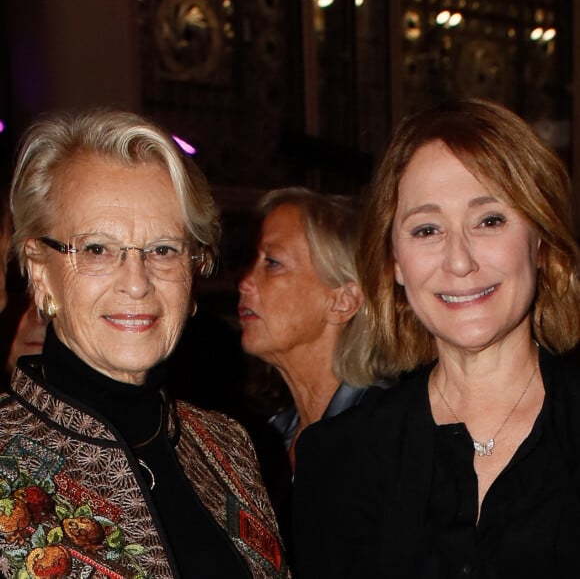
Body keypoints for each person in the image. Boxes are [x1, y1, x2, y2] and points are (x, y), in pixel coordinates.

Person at [292, 98, 580, 578]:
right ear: (395, 264)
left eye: (489, 220)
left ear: (541, 241)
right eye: (427, 229)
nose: (459, 261)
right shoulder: (336, 460)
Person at [0, 109, 290, 578]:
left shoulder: (229, 447)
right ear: (39, 270)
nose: (137, 284)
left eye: (163, 249)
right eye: (96, 249)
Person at [238, 187, 386, 535]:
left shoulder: (385, 441)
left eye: (272, 263)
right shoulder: (269, 439)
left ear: (342, 302)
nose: (245, 282)